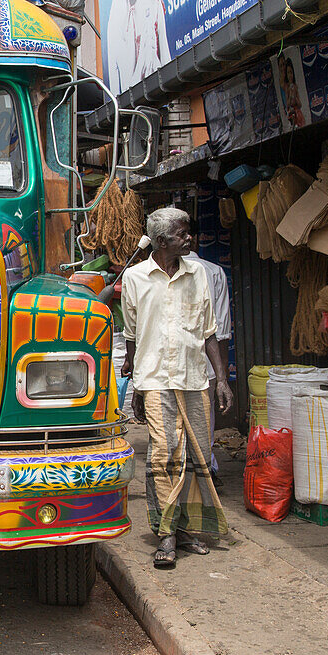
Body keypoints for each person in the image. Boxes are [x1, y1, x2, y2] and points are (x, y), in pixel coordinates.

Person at [121, 208, 232, 569]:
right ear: (162, 241)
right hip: (155, 380)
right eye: (183, 234)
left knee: (194, 456)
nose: (190, 238)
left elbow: (209, 331)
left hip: (193, 379)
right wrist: (136, 386)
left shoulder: (197, 272)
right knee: (162, 457)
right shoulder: (136, 278)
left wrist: (222, 380)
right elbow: (133, 336)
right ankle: (165, 534)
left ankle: (185, 530)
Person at [183, 236, 232, 482]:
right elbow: (221, 332)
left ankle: (189, 473)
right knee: (205, 419)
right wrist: (222, 376)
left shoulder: (152, 273)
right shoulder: (214, 272)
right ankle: (205, 469)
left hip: (174, 366)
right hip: (205, 365)